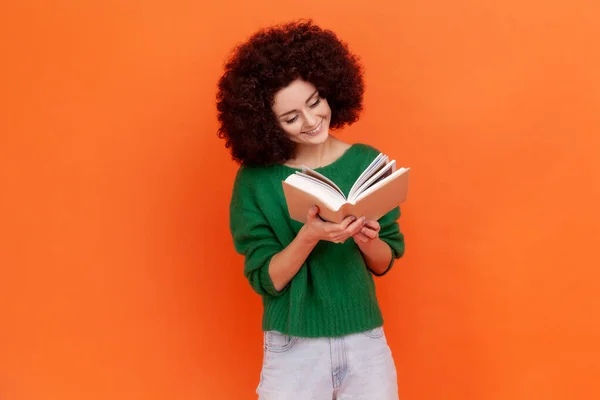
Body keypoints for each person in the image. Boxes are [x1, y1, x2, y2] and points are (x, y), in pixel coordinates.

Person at [216, 19, 406, 400]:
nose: (311, 120)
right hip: (293, 347)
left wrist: (368, 240)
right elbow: (265, 279)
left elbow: (385, 260)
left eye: (314, 101)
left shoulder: (368, 162)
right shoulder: (255, 181)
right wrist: (308, 236)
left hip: (364, 340)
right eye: (290, 118)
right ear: (266, 124)